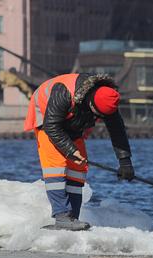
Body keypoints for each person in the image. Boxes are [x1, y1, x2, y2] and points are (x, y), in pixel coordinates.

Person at [24, 73, 134, 231]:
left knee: (78, 167)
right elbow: (52, 126)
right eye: (97, 115)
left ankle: (72, 218)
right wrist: (70, 150)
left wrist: (125, 163)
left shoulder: (108, 99)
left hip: (73, 122)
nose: (99, 119)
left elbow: (117, 131)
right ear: (90, 103)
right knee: (55, 165)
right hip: (47, 118)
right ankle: (62, 217)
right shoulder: (63, 92)